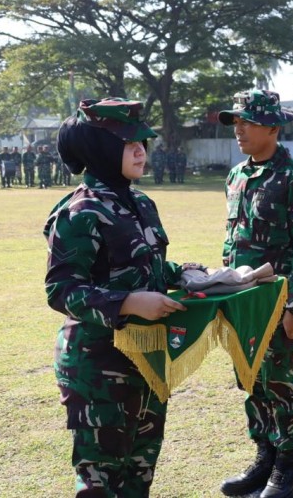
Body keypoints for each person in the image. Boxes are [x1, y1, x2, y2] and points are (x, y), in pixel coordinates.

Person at [44, 98, 201, 497]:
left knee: (139, 473)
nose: (139, 150)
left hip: (146, 359)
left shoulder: (141, 203)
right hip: (98, 368)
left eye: (142, 142)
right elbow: (61, 290)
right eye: (126, 142)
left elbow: (145, 267)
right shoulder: (81, 210)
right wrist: (129, 303)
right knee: (101, 482)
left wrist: (185, 274)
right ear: (98, 148)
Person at [218, 89, 293, 498]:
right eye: (235, 121)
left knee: (279, 380)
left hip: (277, 300)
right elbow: (230, 241)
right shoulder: (236, 175)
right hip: (241, 300)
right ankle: (264, 456)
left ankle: (288, 468)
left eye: (248, 121)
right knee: (250, 378)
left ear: (273, 127)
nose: (239, 129)